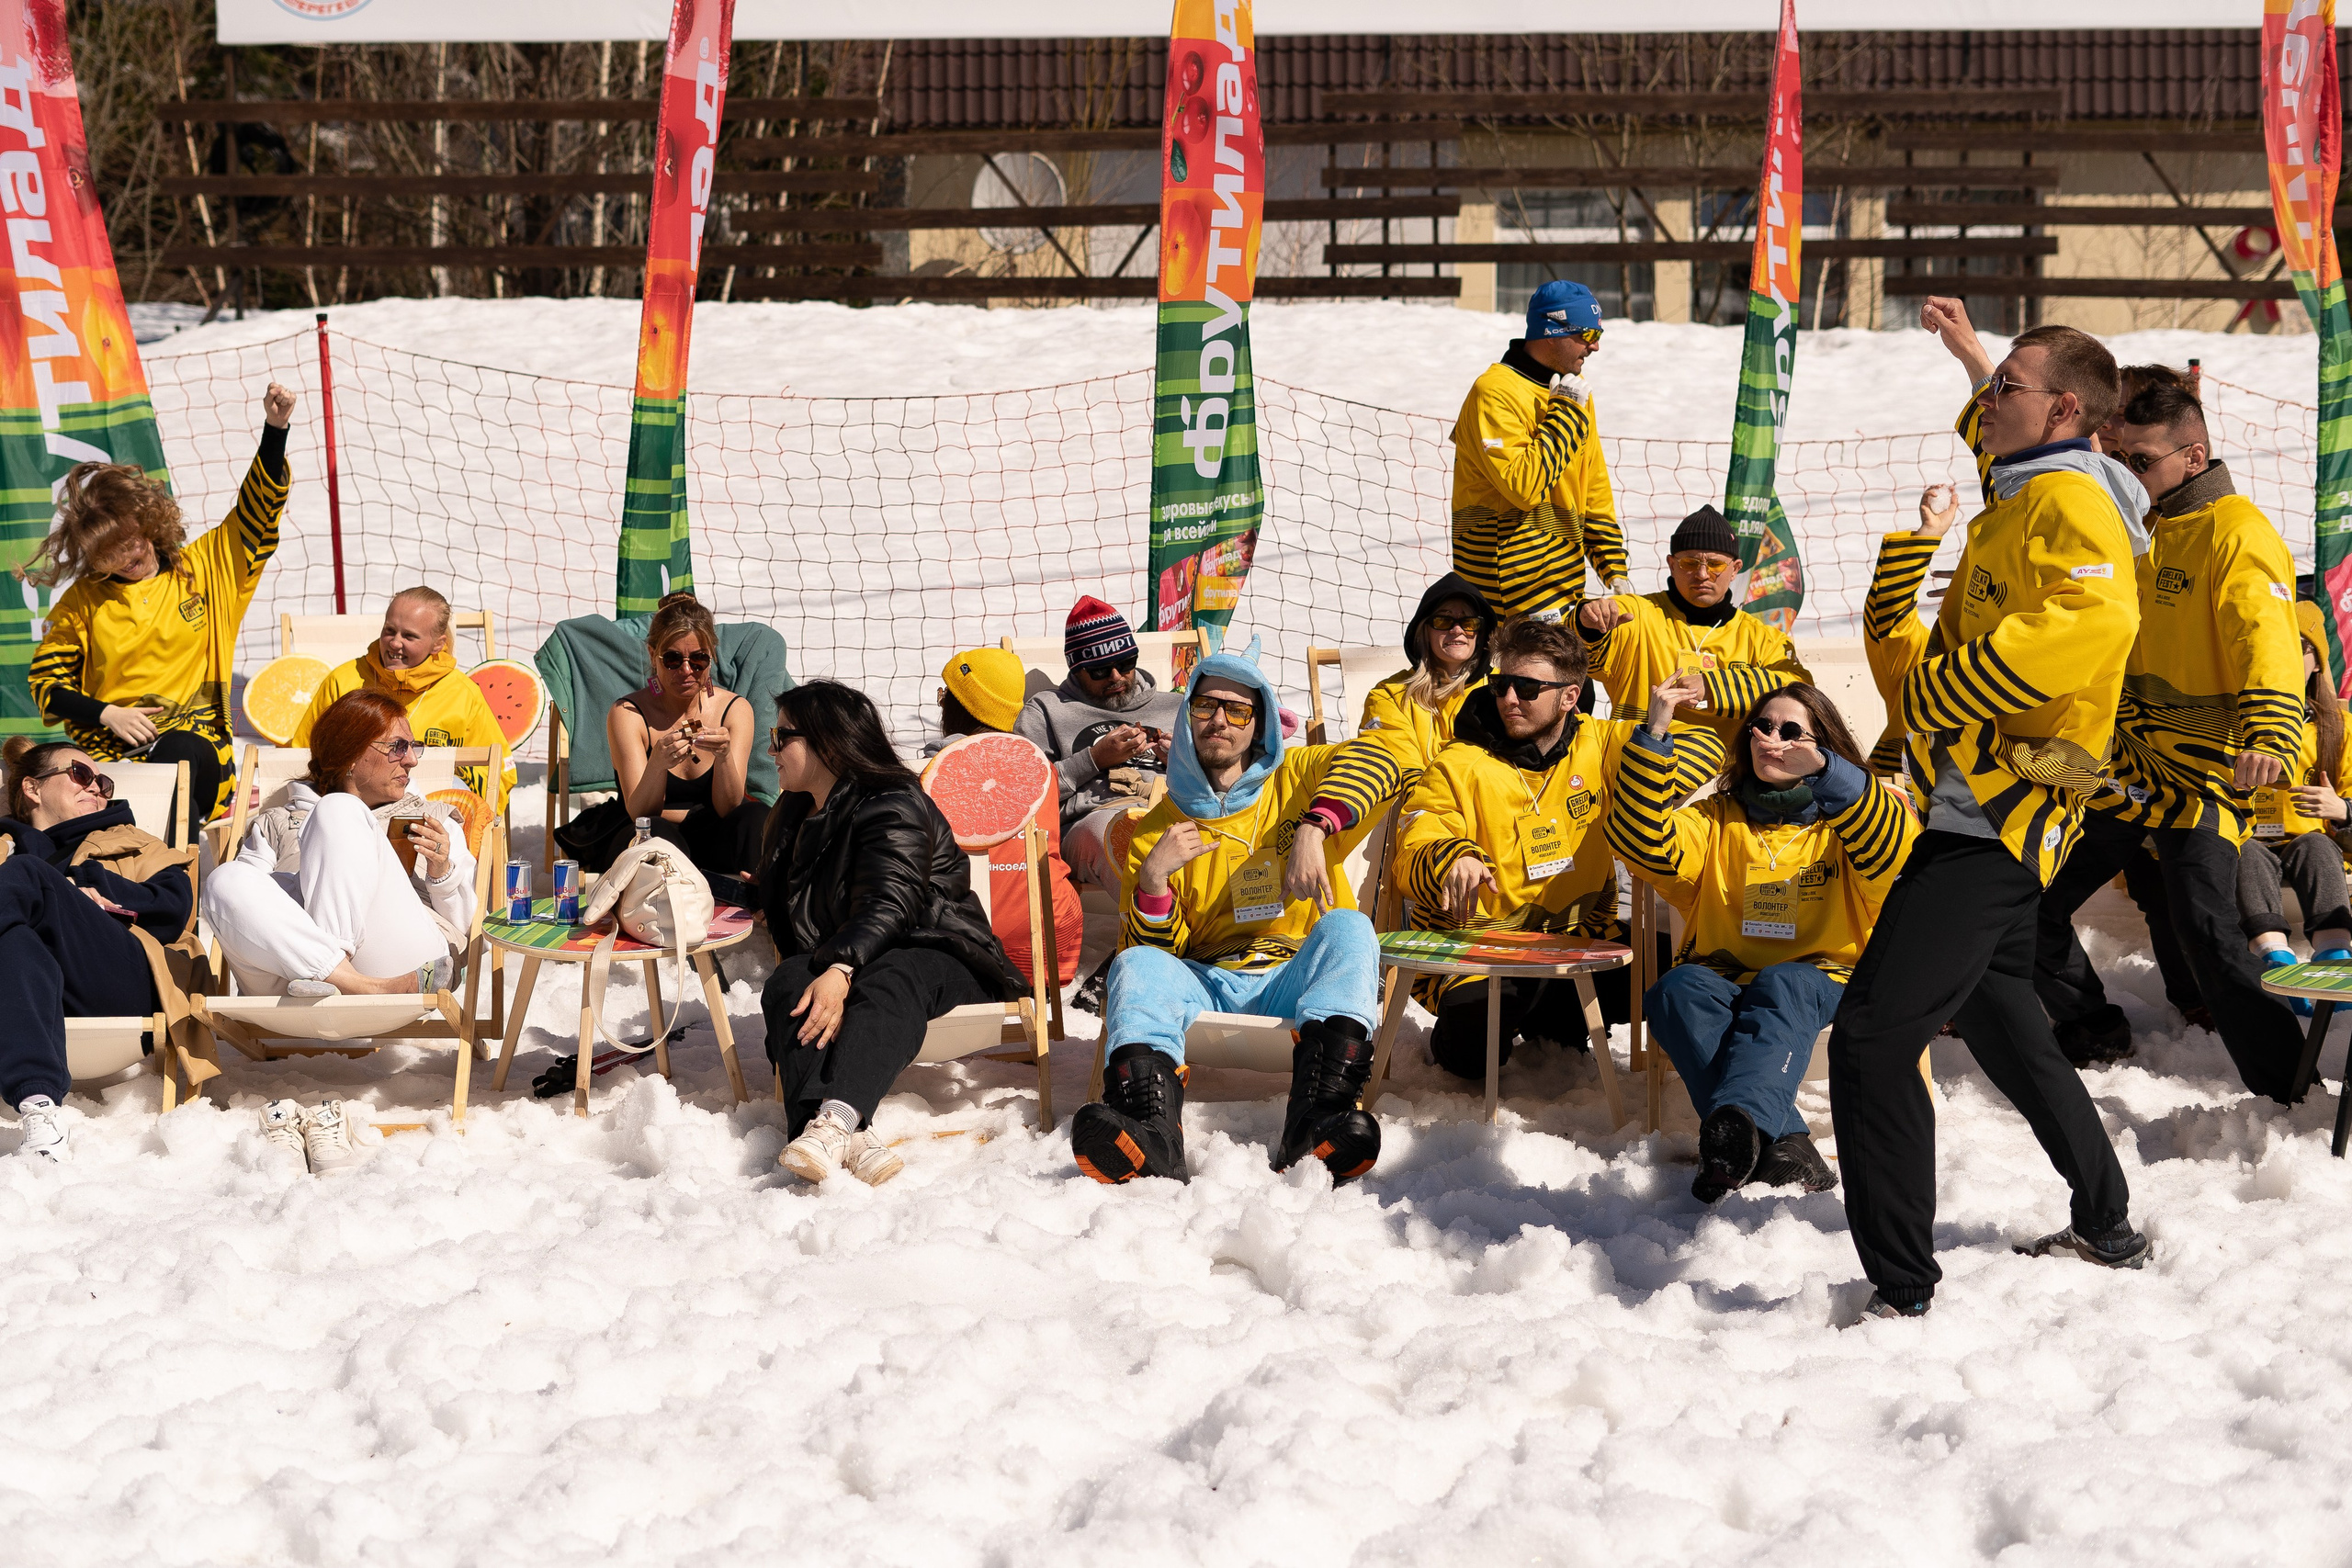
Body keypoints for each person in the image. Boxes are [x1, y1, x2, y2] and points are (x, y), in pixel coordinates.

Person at [1831, 320, 2151, 1323]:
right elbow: (1996, 439)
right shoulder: (2034, 476)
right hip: (1985, 803)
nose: (1987, 403)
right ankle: (2106, 1222)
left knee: (1872, 1040)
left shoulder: (2069, 499)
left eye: (2008, 386)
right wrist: (1975, 356)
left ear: (2063, 411)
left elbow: (2090, 622)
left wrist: (1938, 696)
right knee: (2008, 1020)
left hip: (1996, 816)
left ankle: (1898, 1289)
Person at [2027, 369, 2308, 1093]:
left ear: (2193, 455)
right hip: (2121, 771)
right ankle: (2094, 1027)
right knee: (2027, 896)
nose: (2127, 473)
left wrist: (2271, 734)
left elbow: (2265, 640)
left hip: (2206, 778)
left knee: (2208, 930)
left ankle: (2288, 1087)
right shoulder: (2132, 522)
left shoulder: (2238, 531)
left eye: (2141, 462)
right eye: (2120, 458)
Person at [1071, 637, 1406, 1187]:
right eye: (1205, 706)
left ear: (1262, 723)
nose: (1219, 720)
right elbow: (1157, 958)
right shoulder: (1157, 827)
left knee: (1349, 927)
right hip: (1207, 976)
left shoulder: (1298, 777)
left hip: (1294, 975)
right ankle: (1150, 1132)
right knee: (1134, 966)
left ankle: (1317, 1122)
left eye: (1238, 709)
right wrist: (1153, 881)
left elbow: (1385, 757)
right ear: (1186, 718)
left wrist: (1315, 825)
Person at [1608, 671, 1919, 1201]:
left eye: (1792, 731)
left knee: (1785, 982)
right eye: (1762, 726)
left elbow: (1893, 853)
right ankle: (1776, 1142)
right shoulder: (1715, 819)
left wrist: (1826, 775)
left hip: (1830, 978)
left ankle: (1745, 1127)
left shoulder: (1860, 810)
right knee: (1675, 991)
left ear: (1823, 746)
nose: (1772, 739)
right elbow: (1639, 842)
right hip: (1727, 975)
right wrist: (1656, 731)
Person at [1396, 615, 1722, 1081]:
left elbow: (1706, 743)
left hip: (1582, 940)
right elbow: (1420, 834)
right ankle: (1531, 1016)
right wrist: (1454, 856)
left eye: (1527, 688)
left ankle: (1554, 1015)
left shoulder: (1603, 742)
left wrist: (1645, 770)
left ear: (1570, 696)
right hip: (1484, 949)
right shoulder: (1460, 762)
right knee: (1473, 1059)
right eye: (1501, 684)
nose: (1509, 698)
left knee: (1694, 970)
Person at [761, 680, 1026, 1187]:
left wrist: (840, 968)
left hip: (936, 949)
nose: (772, 750)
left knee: (890, 976)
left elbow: (893, 903)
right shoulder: (792, 812)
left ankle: (834, 1119)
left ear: (826, 742)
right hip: (852, 951)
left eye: (782, 737)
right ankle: (842, 1135)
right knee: (789, 983)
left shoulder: (892, 803)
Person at [25, 382, 297, 830]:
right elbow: (46, 686)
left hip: (200, 750)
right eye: (108, 553)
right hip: (111, 764)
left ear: (147, 522)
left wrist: (275, 429)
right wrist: (106, 713)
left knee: (179, 756)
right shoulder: (84, 601)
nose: (126, 557)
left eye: (129, 540)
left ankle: (169, 876)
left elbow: (258, 510)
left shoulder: (206, 567)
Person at [202, 690, 474, 1015]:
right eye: (397, 747)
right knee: (224, 880)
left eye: (413, 747)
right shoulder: (277, 823)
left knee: (339, 809)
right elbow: (244, 914)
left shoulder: (432, 821)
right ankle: (349, 980)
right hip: (298, 984)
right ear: (351, 755)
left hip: (404, 968)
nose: (412, 760)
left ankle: (338, 970)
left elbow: (470, 931)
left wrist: (441, 873)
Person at [0, 737, 201, 1164]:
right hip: (30, 991)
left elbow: (173, 906)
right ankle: (38, 1105)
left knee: (25, 873)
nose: (97, 788)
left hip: (122, 975)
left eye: (103, 782)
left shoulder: (133, 841)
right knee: (17, 941)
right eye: (81, 774)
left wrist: (91, 887)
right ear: (32, 789)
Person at [553, 592, 767, 903]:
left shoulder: (735, 709)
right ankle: (677, 917)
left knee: (756, 816)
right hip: (647, 831)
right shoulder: (628, 714)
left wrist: (723, 758)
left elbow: (729, 808)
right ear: (653, 655)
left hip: (712, 830)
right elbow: (641, 811)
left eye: (699, 659)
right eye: (672, 660)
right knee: (655, 833)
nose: (686, 671)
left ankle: (763, 909)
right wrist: (657, 763)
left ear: (712, 656)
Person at [1449, 279, 1631, 626]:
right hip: (1503, 596)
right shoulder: (1494, 392)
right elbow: (1523, 486)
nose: (1595, 348)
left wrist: (1613, 569)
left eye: (1599, 336)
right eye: (1587, 335)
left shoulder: (1575, 395)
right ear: (1551, 331)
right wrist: (1563, 414)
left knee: (1574, 681)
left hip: (1565, 589)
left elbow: (1593, 490)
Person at [1577, 502, 1812, 744]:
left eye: (1715, 564)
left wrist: (1715, 686)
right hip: (1639, 766)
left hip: (1731, 776)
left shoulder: (1763, 638)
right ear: (1671, 564)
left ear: (1735, 569)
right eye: (1689, 563)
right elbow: (1570, 653)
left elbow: (1801, 691)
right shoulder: (1636, 615)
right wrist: (1586, 623)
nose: (1702, 574)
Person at [934, 645, 1084, 989]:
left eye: (945, 697)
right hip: (1051, 942)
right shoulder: (1040, 769)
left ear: (963, 707)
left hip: (968, 948)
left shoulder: (932, 772)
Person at [293, 585, 514, 811]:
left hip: (431, 820)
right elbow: (301, 752)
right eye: (390, 630)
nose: (395, 643)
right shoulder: (343, 681)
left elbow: (500, 772)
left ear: (438, 644)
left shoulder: (463, 694)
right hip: (347, 811)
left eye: (409, 636)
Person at [1013, 595, 1180, 891]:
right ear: (1076, 669)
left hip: (1174, 810)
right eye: (1100, 670)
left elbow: (1222, 777)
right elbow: (1022, 795)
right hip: (1094, 821)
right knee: (1125, 837)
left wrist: (1182, 764)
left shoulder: (1175, 706)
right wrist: (1093, 760)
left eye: (1126, 664)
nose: (1116, 677)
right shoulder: (1047, 710)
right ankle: (1162, 934)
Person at [2238, 601, 2352, 1013]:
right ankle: (2274, 957)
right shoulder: (2236, 723)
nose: (2286, 654)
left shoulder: (2336, 728)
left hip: (2309, 839)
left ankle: (2336, 955)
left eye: (2300, 646)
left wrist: (2341, 807)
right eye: (2276, 643)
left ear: (2318, 662)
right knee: (2245, 854)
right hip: (2249, 839)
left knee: (2317, 848)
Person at [1357, 572, 1494, 783]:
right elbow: (1399, 767)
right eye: (1443, 620)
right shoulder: (1391, 695)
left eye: (1469, 622)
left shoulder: (1506, 689)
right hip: (1418, 807)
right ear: (1424, 632)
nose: (1457, 630)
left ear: (1481, 633)